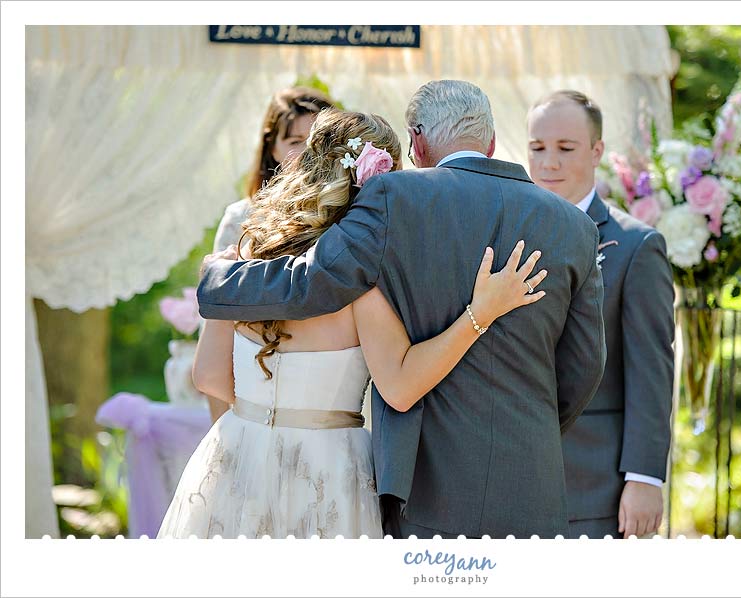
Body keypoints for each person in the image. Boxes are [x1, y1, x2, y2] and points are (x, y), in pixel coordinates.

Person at [197, 80, 606, 539]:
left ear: (417, 141)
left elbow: (309, 283)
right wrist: (529, 428)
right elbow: (585, 368)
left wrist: (220, 279)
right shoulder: (576, 227)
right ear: (490, 142)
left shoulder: (393, 201)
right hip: (530, 478)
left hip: (413, 480)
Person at [527, 90, 673, 538]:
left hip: (595, 479)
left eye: (565, 149)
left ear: (596, 152)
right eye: (538, 148)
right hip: (512, 473)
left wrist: (645, 478)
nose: (549, 162)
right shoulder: (505, 231)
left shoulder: (636, 246)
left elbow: (651, 369)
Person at [206, 86, 335, 423]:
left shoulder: (348, 218)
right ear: (272, 149)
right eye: (294, 142)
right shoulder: (240, 219)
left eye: (316, 140)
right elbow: (217, 325)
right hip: (253, 386)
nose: (307, 153)